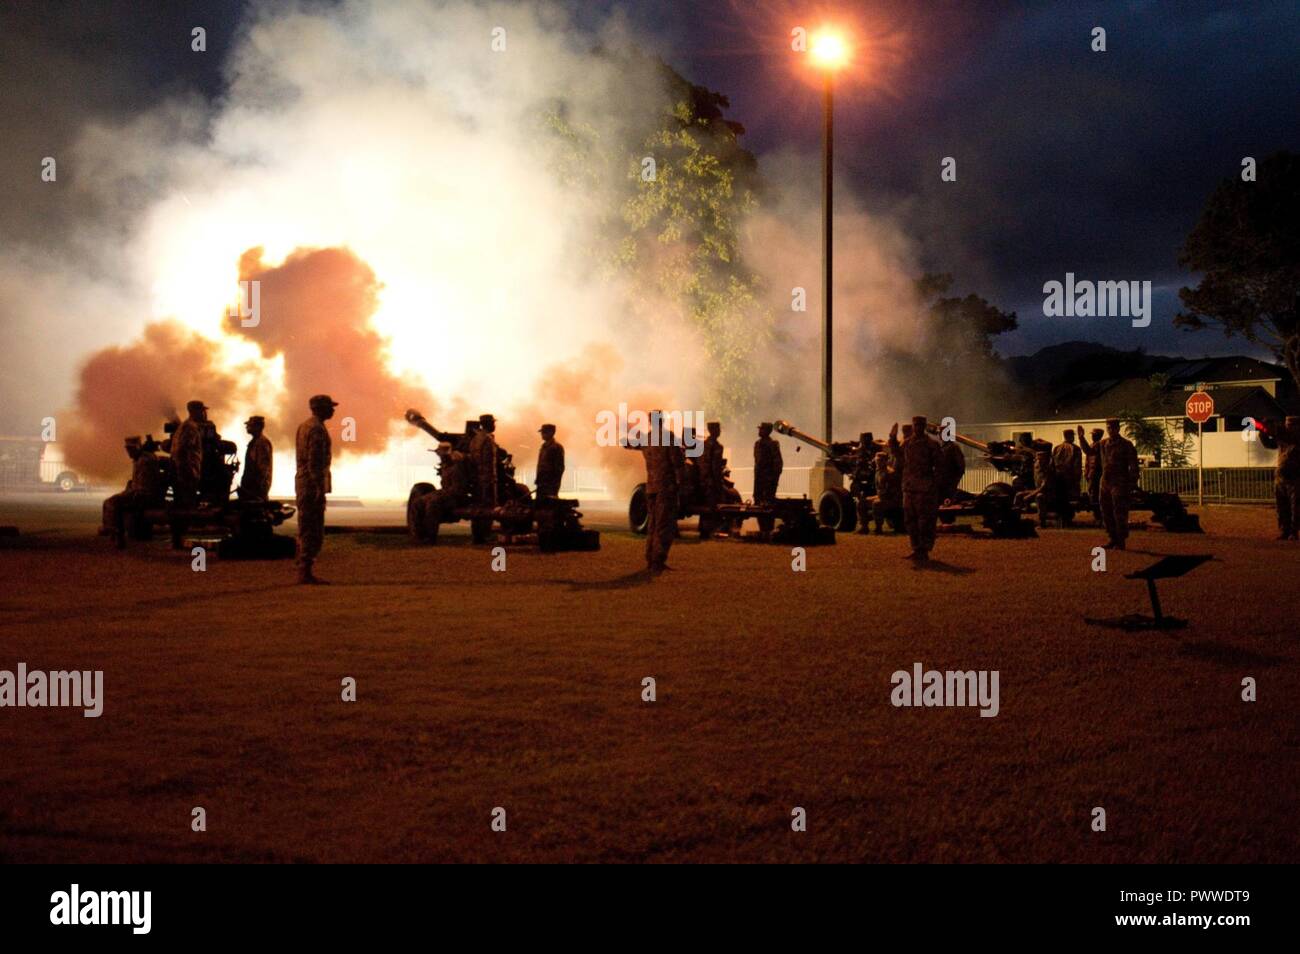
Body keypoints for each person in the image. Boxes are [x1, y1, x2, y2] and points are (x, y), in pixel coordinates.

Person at [627, 411, 687, 574]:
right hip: (666, 487)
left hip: (651, 486)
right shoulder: (668, 436)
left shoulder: (647, 438)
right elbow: (678, 462)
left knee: (653, 524)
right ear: (662, 420)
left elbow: (629, 443)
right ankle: (658, 561)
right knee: (664, 524)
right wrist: (682, 483)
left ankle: (650, 558)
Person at [295, 394, 336, 584]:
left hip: (303, 482)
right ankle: (305, 570)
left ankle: (304, 568)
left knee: (306, 525)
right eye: (330, 407)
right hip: (312, 485)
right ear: (320, 409)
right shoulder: (317, 430)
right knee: (312, 527)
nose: (333, 410)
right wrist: (319, 487)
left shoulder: (304, 426)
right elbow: (315, 462)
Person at [890, 415, 944, 561]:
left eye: (920, 425)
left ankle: (924, 549)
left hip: (925, 489)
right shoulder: (907, 443)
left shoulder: (931, 444)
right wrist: (892, 438)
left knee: (925, 521)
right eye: (916, 425)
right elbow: (897, 454)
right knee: (910, 520)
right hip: (909, 487)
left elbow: (939, 466)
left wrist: (934, 485)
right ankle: (916, 548)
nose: (918, 428)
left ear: (924, 426)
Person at [102, 437, 165, 542]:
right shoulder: (140, 459)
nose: (128, 452)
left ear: (137, 448)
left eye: (130, 449)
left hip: (143, 496)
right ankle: (112, 530)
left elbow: (144, 487)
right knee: (111, 502)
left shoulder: (144, 461)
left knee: (112, 503)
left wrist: (129, 493)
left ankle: (116, 533)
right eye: (127, 449)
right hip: (141, 494)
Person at [1098, 417, 1139, 550]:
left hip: (1119, 482)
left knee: (1119, 512)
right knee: (1106, 511)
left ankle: (1121, 540)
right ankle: (1112, 537)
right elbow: (1089, 452)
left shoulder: (1126, 445)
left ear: (1118, 428)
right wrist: (1081, 438)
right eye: (1108, 428)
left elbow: (1133, 465)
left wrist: (1132, 483)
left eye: (1112, 428)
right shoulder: (1103, 444)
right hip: (1105, 482)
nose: (1110, 430)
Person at [1259, 415, 1300, 540]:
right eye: (1287, 424)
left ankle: (1293, 531)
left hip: (1295, 478)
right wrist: (1263, 433)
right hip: (1281, 477)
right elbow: (1269, 444)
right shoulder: (1283, 439)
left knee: (1295, 507)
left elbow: (1286, 436)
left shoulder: (1294, 437)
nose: (1288, 427)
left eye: (1291, 425)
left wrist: (1272, 429)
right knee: (1282, 506)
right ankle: (1285, 530)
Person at [467, 413, 498, 543]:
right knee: (488, 507)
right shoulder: (488, 440)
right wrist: (491, 480)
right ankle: (485, 535)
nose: (494, 425)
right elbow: (489, 462)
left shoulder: (475, 439)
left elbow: (472, 459)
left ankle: (477, 536)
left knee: (477, 507)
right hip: (487, 478)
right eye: (493, 423)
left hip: (476, 479)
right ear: (489, 424)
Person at [169, 399, 207, 506]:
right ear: (194, 411)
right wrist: (187, 471)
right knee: (187, 503)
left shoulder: (184, 426)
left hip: (184, 470)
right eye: (201, 411)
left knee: (183, 501)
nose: (203, 414)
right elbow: (182, 449)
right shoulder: (190, 427)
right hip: (187, 471)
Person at [753, 422, 783, 538]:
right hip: (759, 478)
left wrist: (774, 479)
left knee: (768, 503)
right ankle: (762, 529)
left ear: (767, 431)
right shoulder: (757, 444)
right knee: (757, 501)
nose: (759, 431)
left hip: (768, 479)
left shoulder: (773, 444)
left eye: (761, 429)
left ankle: (768, 528)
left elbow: (778, 463)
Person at [237, 415, 273, 502]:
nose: (247, 427)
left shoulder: (262, 443)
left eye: (250, 425)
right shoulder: (255, 442)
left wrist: (259, 488)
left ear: (258, 427)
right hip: (251, 487)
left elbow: (263, 469)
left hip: (256, 489)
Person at [1076, 425, 1105, 521]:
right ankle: (1098, 516)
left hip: (1096, 474)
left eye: (1094, 434)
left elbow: (1087, 451)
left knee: (1095, 495)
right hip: (1091, 474)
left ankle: (1098, 516)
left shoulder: (1099, 445)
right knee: (1093, 494)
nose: (1092, 436)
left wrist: (1081, 438)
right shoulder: (1094, 444)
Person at [871, 450, 903, 533]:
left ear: (886, 461)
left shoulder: (890, 473)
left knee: (876, 504)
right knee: (862, 502)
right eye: (877, 460)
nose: (878, 462)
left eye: (881, 460)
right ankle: (864, 527)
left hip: (891, 499)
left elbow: (893, 491)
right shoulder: (878, 471)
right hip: (881, 496)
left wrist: (881, 497)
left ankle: (878, 528)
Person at [534, 423, 565, 499]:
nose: (542, 434)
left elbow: (559, 468)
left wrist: (554, 484)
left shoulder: (556, 447)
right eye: (542, 432)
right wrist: (538, 479)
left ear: (551, 433)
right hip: (542, 482)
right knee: (540, 505)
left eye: (544, 432)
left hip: (550, 484)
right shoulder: (544, 447)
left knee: (549, 505)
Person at [937, 436, 966, 505]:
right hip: (942, 480)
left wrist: (955, 479)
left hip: (949, 480)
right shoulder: (942, 447)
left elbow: (960, 465)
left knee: (948, 501)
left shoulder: (953, 447)